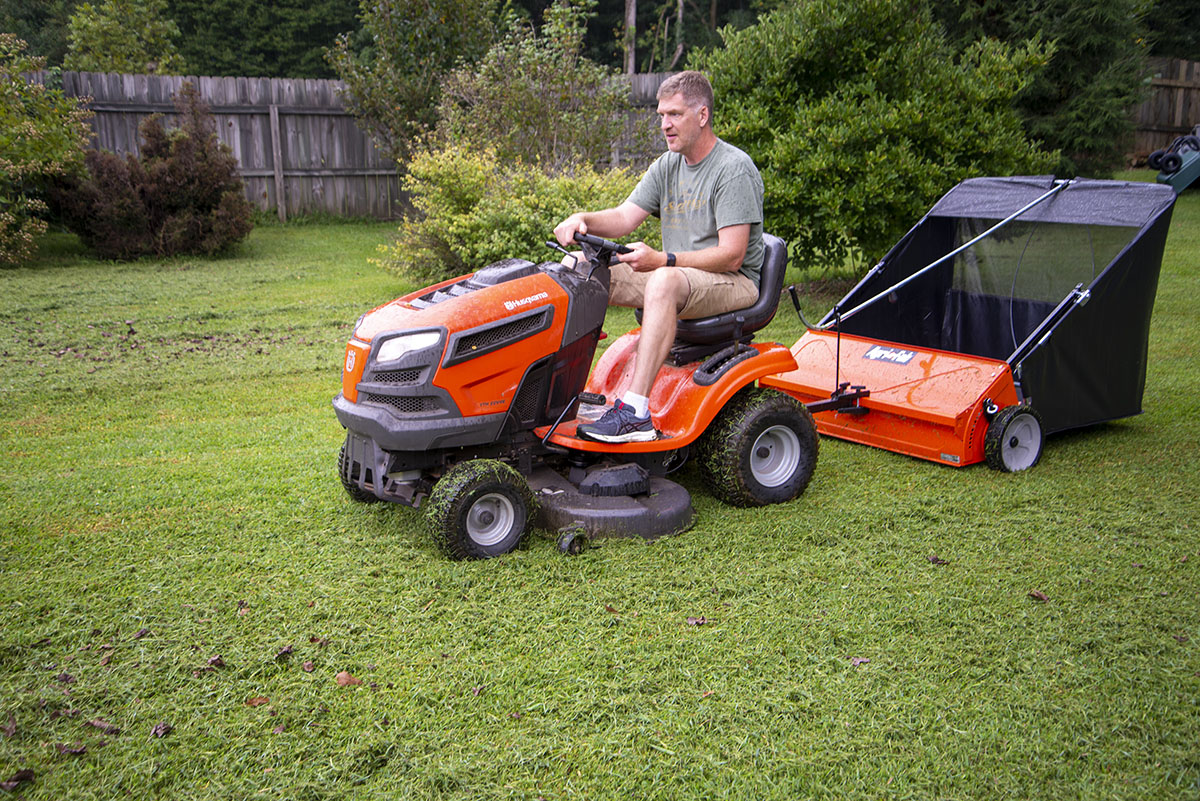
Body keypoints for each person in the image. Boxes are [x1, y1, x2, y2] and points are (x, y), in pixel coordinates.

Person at [553, 70, 765, 443]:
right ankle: (553, 392)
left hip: (734, 283)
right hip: (681, 275)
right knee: (577, 270)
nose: (665, 125)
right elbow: (622, 218)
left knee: (664, 281)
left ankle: (635, 412)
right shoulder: (667, 165)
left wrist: (664, 260)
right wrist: (583, 219)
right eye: (661, 116)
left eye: (674, 115)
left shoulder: (733, 169)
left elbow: (732, 256)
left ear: (702, 115)